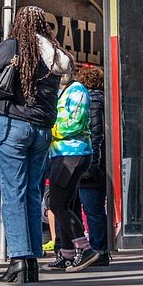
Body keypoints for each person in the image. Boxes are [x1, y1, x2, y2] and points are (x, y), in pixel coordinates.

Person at [0, 6, 72, 285]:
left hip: (12, 125)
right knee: (31, 193)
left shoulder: (13, 47)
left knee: (13, 193)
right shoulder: (55, 55)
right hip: (42, 131)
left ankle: (19, 259)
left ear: (19, 24)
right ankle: (31, 263)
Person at [45, 72, 92, 271]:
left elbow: (75, 123)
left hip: (73, 154)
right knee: (66, 204)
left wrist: (50, 129)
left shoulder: (77, 90)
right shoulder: (61, 92)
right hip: (61, 154)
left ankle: (85, 249)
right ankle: (67, 254)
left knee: (57, 203)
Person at [66, 65, 109, 271]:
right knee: (95, 209)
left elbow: (95, 132)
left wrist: (91, 163)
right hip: (102, 161)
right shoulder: (106, 99)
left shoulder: (91, 101)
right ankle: (99, 249)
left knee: (92, 209)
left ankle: (98, 251)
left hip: (91, 160)